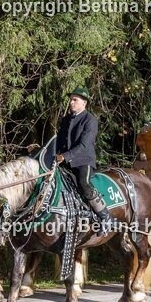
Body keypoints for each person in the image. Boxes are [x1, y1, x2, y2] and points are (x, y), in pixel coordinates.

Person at [55, 88, 115, 226]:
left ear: (84, 102)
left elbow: (83, 145)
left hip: (83, 160)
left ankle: (106, 217)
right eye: (71, 99)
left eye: (75, 100)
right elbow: (59, 142)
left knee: (84, 183)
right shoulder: (66, 120)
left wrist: (64, 156)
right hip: (65, 161)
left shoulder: (90, 120)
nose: (71, 102)